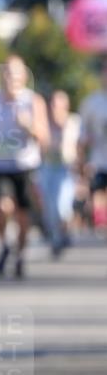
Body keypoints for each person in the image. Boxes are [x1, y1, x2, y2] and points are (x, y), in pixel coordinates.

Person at [0, 55, 49, 278]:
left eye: (14, 73)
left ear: (23, 76)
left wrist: (29, 126)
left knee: (23, 217)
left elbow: (44, 138)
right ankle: (4, 244)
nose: (9, 78)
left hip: (25, 165)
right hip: (1, 164)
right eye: (6, 72)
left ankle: (20, 253)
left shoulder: (32, 101)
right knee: (2, 209)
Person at [38, 90, 80, 256]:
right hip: (48, 167)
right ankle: (56, 239)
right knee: (50, 207)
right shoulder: (44, 123)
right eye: (53, 104)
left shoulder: (73, 122)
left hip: (66, 168)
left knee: (63, 206)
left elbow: (78, 146)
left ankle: (64, 232)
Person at [79, 57, 107, 235]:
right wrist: (81, 162)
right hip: (99, 161)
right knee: (97, 195)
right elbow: (82, 135)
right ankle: (100, 222)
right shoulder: (92, 102)